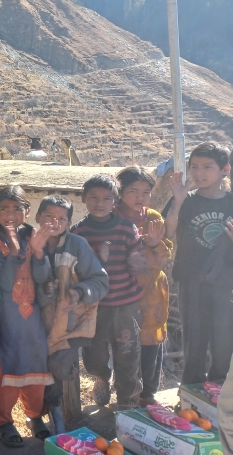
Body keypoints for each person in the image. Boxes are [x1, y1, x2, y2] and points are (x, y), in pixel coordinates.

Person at [0, 186, 55, 446]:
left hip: (32, 316)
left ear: (27, 211)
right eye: (4, 209)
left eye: (16, 209)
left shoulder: (32, 235)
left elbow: (43, 277)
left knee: (36, 362)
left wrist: (38, 252)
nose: (10, 214)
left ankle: (35, 415)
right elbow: (3, 282)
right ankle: (4, 421)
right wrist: (14, 252)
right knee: (6, 367)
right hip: (5, 318)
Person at [35, 196, 108, 433]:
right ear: (37, 217)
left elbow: (100, 281)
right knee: (37, 371)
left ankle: (59, 423)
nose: (54, 222)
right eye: (48, 216)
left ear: (68, 222)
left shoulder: (76, 245)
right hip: (35, 322)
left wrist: (79, 292)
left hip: (69, 324)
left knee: (58, 368)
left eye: (61, 218)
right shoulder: (30, 244)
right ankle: (38, 418)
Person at [71, 174, 145, 409]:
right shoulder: (78, 232)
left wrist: (137, 263)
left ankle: (127, 404)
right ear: (84, 198)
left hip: (125, 305)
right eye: (93, 197)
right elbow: (72, 267)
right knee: (94, 357)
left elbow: (137, 257)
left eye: (106, 198)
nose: (99, 203)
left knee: (128, 356)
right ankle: (102, 376)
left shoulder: (126, 229)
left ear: (115, 201)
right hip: (94, 307)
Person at [164, 142, 233, 384]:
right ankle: (191, 393)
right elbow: (168, 233)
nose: (199, 173)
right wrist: (178, 201)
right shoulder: (186, 200)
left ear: (225, 169)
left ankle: (218, 393)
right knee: (194, 342)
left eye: (207, 167)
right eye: (194, 167)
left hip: (225, 284)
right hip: (191, 281)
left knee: (224, 343)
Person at [114, 166, 173, 405]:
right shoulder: (111, 218)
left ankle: (148, 394)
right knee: (124, 345)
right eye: (133, 191)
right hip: (121, 294)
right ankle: (125, 394)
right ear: (120, 192)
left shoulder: (153, 218)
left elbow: (164, 259)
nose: (140, 197)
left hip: (151, 296)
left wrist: (156, 243)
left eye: (146, 192)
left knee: (151, 344)